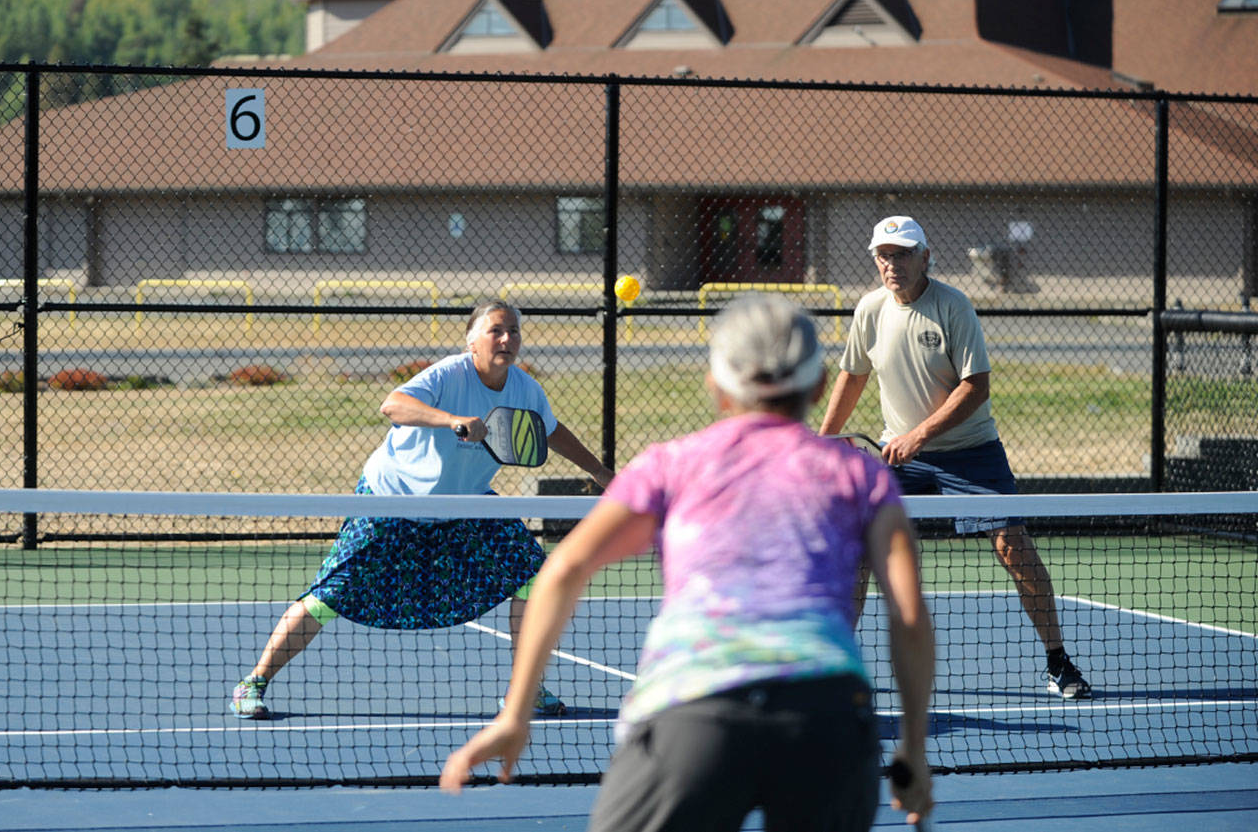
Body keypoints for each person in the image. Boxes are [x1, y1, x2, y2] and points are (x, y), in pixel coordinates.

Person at [441, 294, 935, 832]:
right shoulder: (863, 477)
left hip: (693, 710)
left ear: (717, 387)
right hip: (831, 721)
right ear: (819, 388)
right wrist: (912, 746)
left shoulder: (669, 465)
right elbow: (909, 617)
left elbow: (562, 572)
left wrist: (515, 716)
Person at [229, 300, 613, 720]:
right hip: (392, 498)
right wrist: (451, 420)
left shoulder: (525, 389)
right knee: (329, 596)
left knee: (537, 579)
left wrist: (598, 471)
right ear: (472, 341)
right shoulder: (449, 373)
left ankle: (526, 690)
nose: (507, 339)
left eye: (514, 331)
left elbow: (550, 430)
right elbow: (392, 404)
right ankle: (254, 683)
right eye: (496, 331)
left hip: (467, 507)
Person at [818, 215, 1092, 699]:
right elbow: (852, 376)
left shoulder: (953, 306)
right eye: (884, 255)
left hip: (970, 452)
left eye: (902, 254)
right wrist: (821, 440)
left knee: (1014, 547)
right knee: (857, 549)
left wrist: (920, 434)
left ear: (925, 257)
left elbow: (976, 387)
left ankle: (1058, 663)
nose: (892, 264)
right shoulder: (870, 310)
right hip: (900, 456)